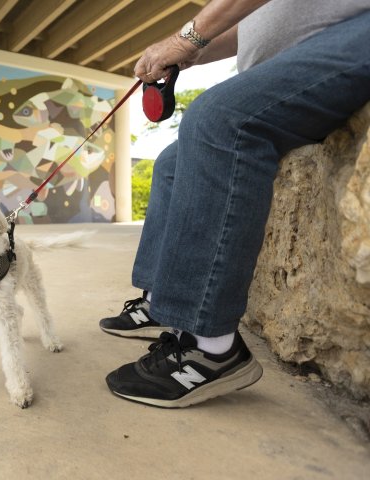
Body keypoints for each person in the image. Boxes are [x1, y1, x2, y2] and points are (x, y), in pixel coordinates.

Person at [100, 0, 370, 408]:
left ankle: (211, 347)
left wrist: (185, 38)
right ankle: (160, 304)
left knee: (216, 119)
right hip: (305, 53)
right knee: (172, 161)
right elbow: (253, 25)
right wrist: (191, 54)